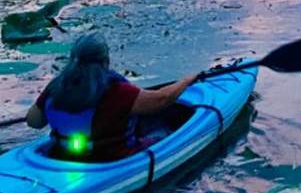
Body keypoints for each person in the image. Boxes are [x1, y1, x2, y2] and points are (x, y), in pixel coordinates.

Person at [26, 33, 199, 161]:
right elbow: (163, 99)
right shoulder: (117, 91)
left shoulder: (56, 87)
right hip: (110, 158)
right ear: (105, 62)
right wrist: (186, 81)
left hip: (62, 155)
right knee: (162, 127)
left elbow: (34, 121)